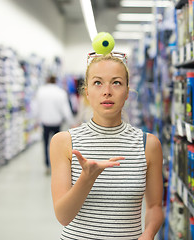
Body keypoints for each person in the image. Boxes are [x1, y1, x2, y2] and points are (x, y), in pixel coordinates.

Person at [50, 53, 164, 239]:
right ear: (86, 92)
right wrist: (86, 179)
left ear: (127, 92)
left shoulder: (148, 145)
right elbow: (63, 216)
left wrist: (149, 233)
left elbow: (154, 207)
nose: (107, 91)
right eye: (97, 83)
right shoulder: (64, 142)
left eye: (116, 82)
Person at [34, 75, 74, 174]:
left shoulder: (40, 92)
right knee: (58, 145)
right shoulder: (60, 93)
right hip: (57, 122)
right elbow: (65, 109)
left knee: (46, 144)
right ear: (56, 81)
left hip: (45, 122)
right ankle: (57, 165)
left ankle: (47, 165)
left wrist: (36, 120)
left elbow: (36, 107)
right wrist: (71, 122)